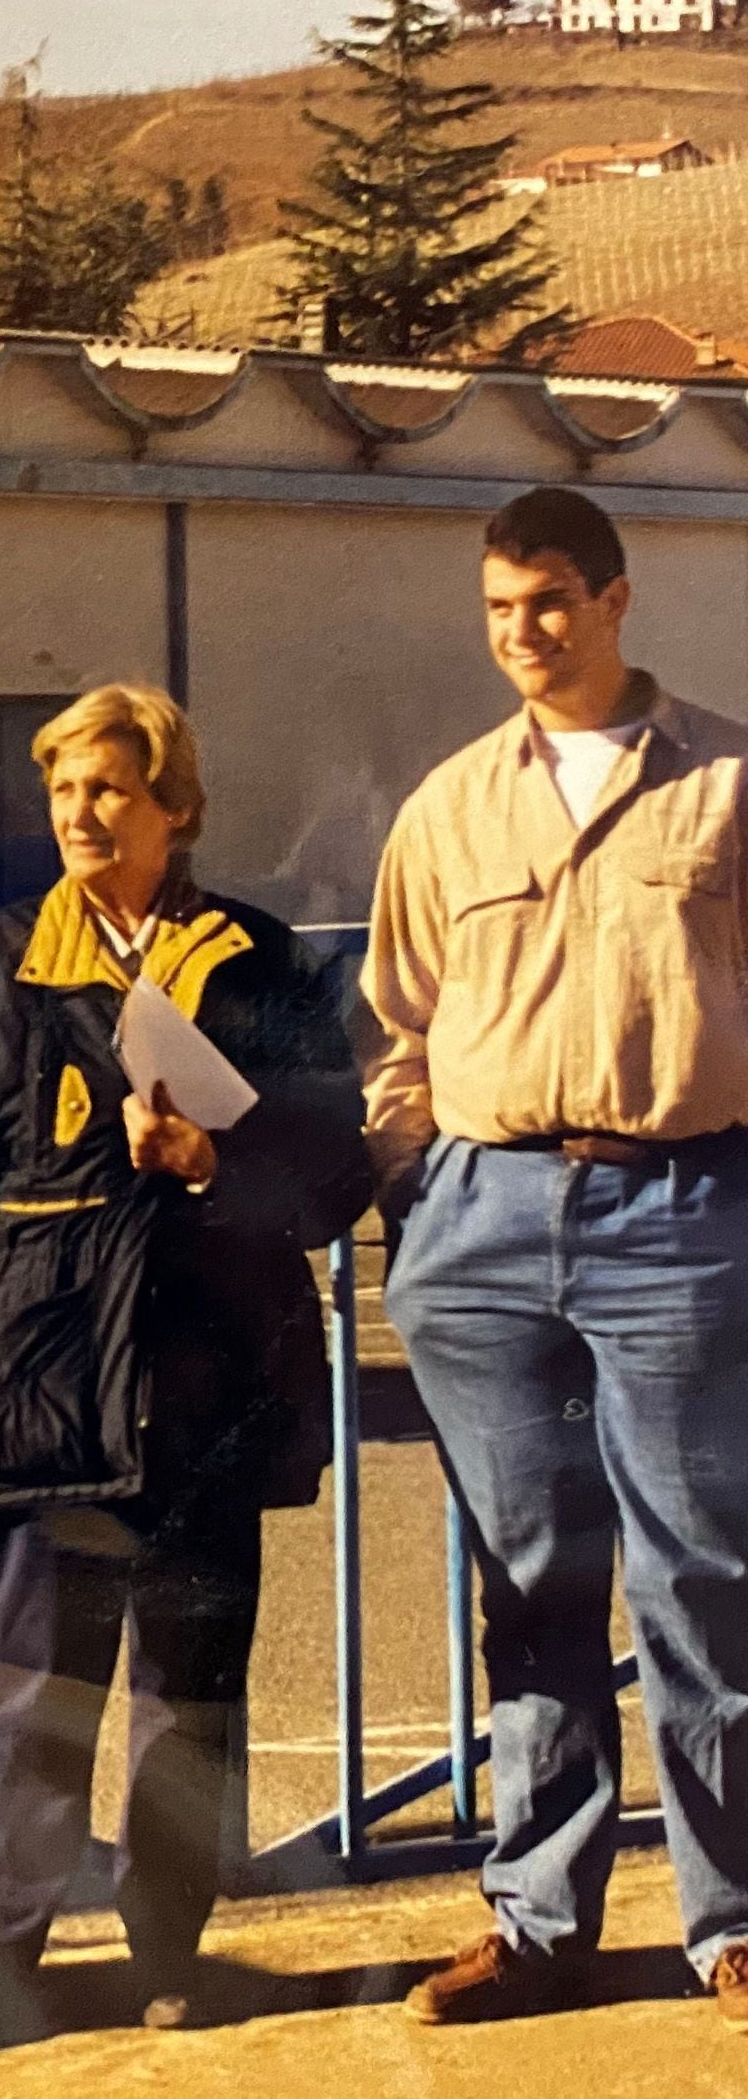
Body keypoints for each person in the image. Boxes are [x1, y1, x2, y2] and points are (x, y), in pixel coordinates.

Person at [0, 684, 370, 2052]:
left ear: (175, 810)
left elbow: (333, 1163)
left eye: (109, 792)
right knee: (35, 1700)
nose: (80, 815)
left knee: (190, 1699)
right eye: (64, 791)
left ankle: (170, 1953)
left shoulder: (250, 959)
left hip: (212, 1382)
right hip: (47, 1386)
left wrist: (219, 1163)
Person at [363, 486, 748, 2033]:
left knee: (702, 1579)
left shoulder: (725, 782)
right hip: (486, 1225)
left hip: (680, 1216)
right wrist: (426, 1189)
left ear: (616, 601)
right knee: (528, 1585)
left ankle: (732, 1930)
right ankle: (538, 1924)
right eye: (498, 611)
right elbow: (395, 1024)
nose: (522, 635)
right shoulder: (450, 806)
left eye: (549, 604)